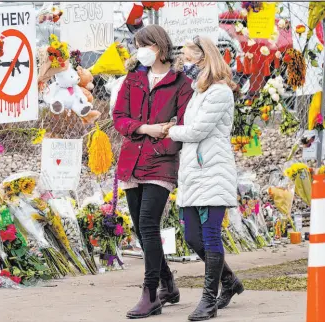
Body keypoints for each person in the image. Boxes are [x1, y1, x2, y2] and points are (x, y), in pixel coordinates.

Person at [113, 24, 194, 319]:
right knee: (139, 226)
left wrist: (168, 132)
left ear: (158, 47)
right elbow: (119, 118)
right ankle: (169, 284)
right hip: (132, 160)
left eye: (142, 45)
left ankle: (151, 294)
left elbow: (184, 122)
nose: (139, 51)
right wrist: (146, 128)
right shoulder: (133, 79)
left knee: (148, 224)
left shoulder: (180, 83)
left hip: (161, 160)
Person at [166, 36, 244, 321]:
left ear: (203, 59)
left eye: (187, 57)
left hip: (213, 169)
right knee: (191, 236)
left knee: (210, 234)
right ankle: (231, 281)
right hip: (194, 170)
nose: (183, 63)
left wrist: (170, 131)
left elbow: (197, 130)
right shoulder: (200, 91)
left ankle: (208, 299)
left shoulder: (220, 92)